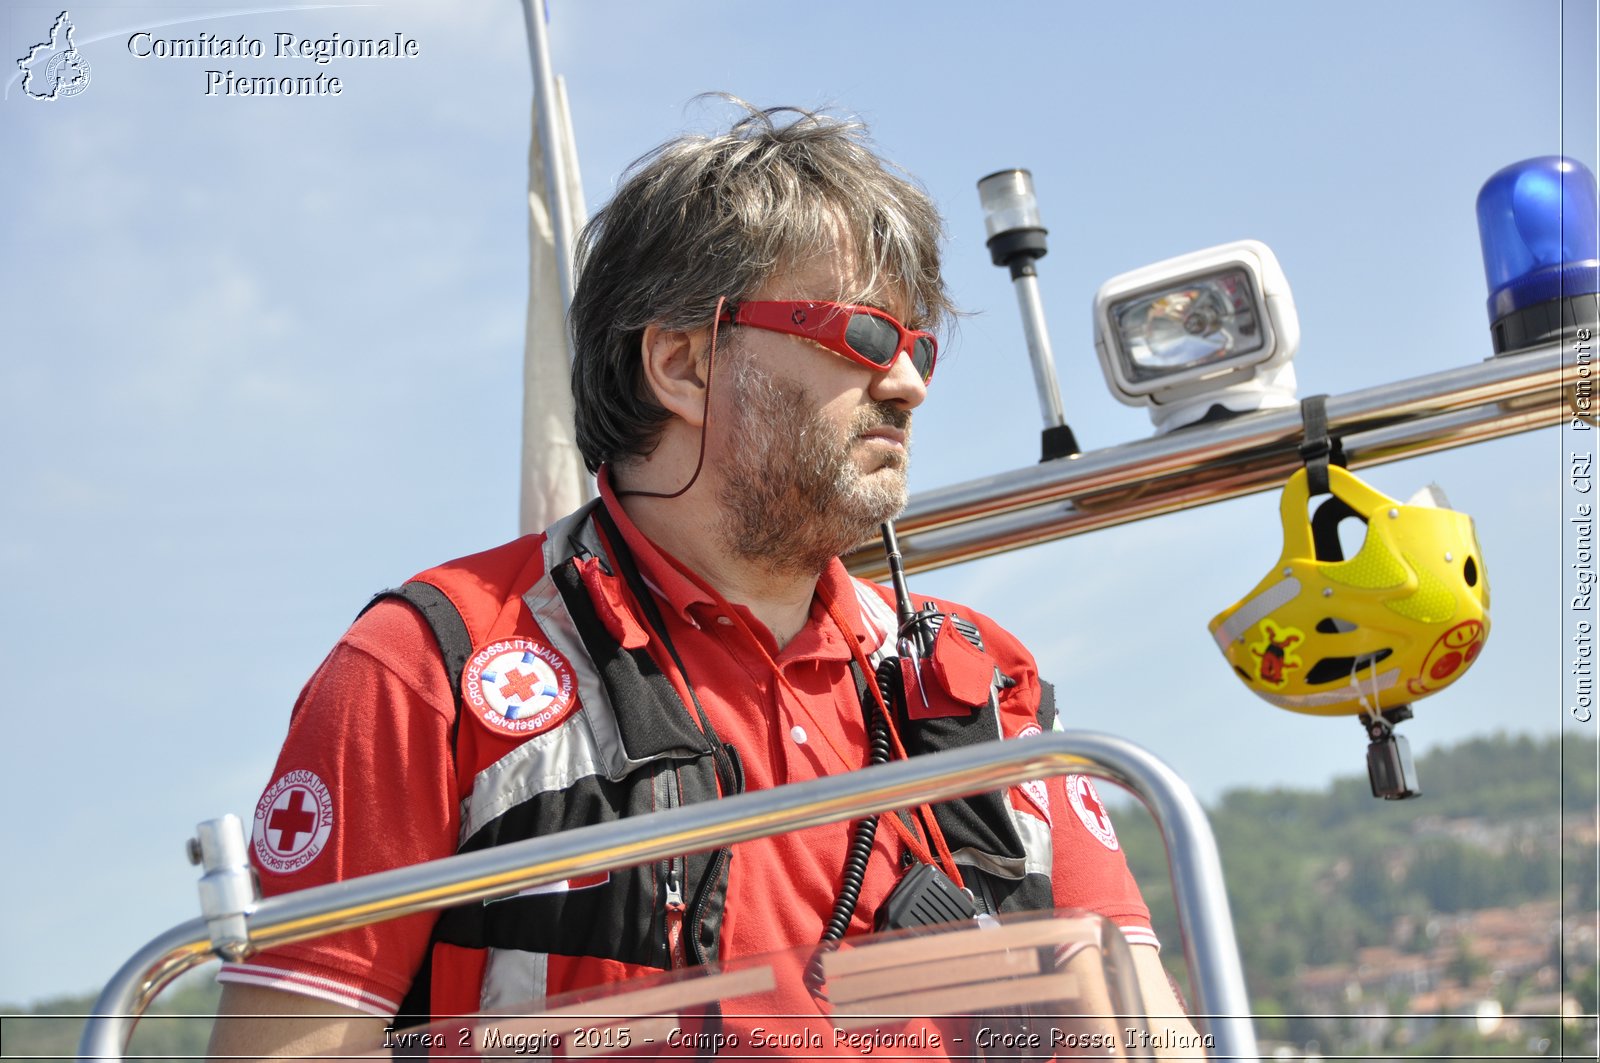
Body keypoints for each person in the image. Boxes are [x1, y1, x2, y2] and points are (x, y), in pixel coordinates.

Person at [208, 104, 1203, 1060]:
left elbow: (1133, 1018)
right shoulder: (428, 665)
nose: (907, 382)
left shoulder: (977, 673)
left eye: (919, 345)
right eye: (861, 336)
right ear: (681, 365)